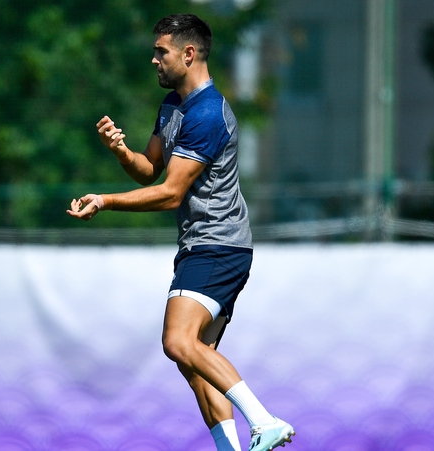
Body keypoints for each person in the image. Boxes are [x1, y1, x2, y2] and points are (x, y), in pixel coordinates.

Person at [67, 14, 294, 451]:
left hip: (218, 246)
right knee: (195, 363)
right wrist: (120, 150)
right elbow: (149, 170)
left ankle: (265, 421)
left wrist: (105, 200)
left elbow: (170, 193)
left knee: (177, 341)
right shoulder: (173, 105)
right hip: (204, 246)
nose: (154, 59)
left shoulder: (209, 114)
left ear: (188, 54)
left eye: (161, 52)